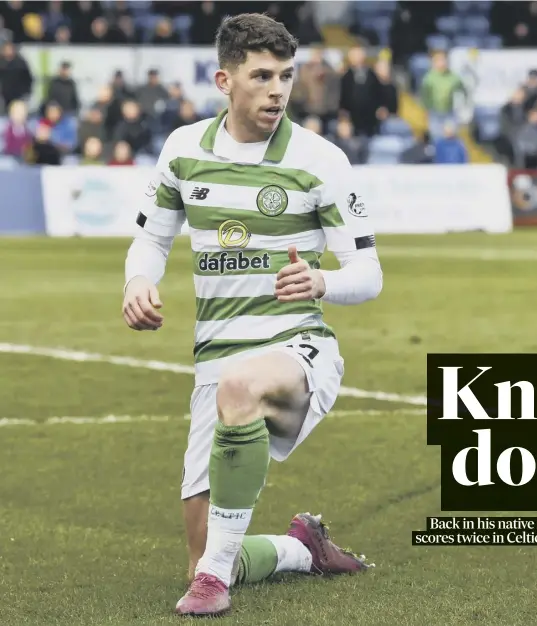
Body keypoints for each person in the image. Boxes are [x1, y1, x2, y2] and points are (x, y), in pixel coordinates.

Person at [121, 13, 383, 618]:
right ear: (224, 80)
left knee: (242, 385)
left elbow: (368, 275)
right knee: (212, 554)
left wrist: (322, 279)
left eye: (286, 76)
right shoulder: (184, 150)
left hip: (299, 347)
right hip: (216, 356)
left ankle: (213, 582)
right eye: (262, 76)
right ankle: (300, 550)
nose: (278, 90)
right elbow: (152, 241)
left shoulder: (321, 160)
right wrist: (138, 281)